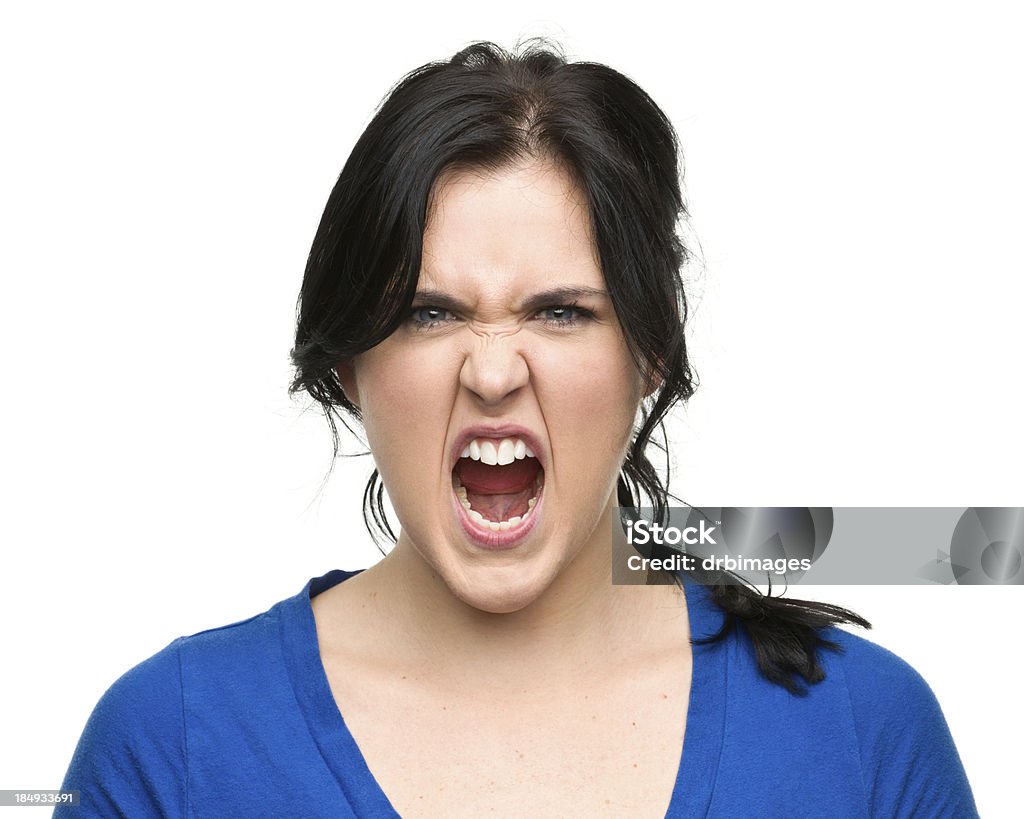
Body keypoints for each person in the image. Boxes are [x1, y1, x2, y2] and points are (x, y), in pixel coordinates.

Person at [57, 42, 977, 817]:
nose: (493, 370)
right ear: (349, 362)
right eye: (428, 313)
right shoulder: (169, 745)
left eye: (562, 312)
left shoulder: (864, 731)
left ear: (650, 354)